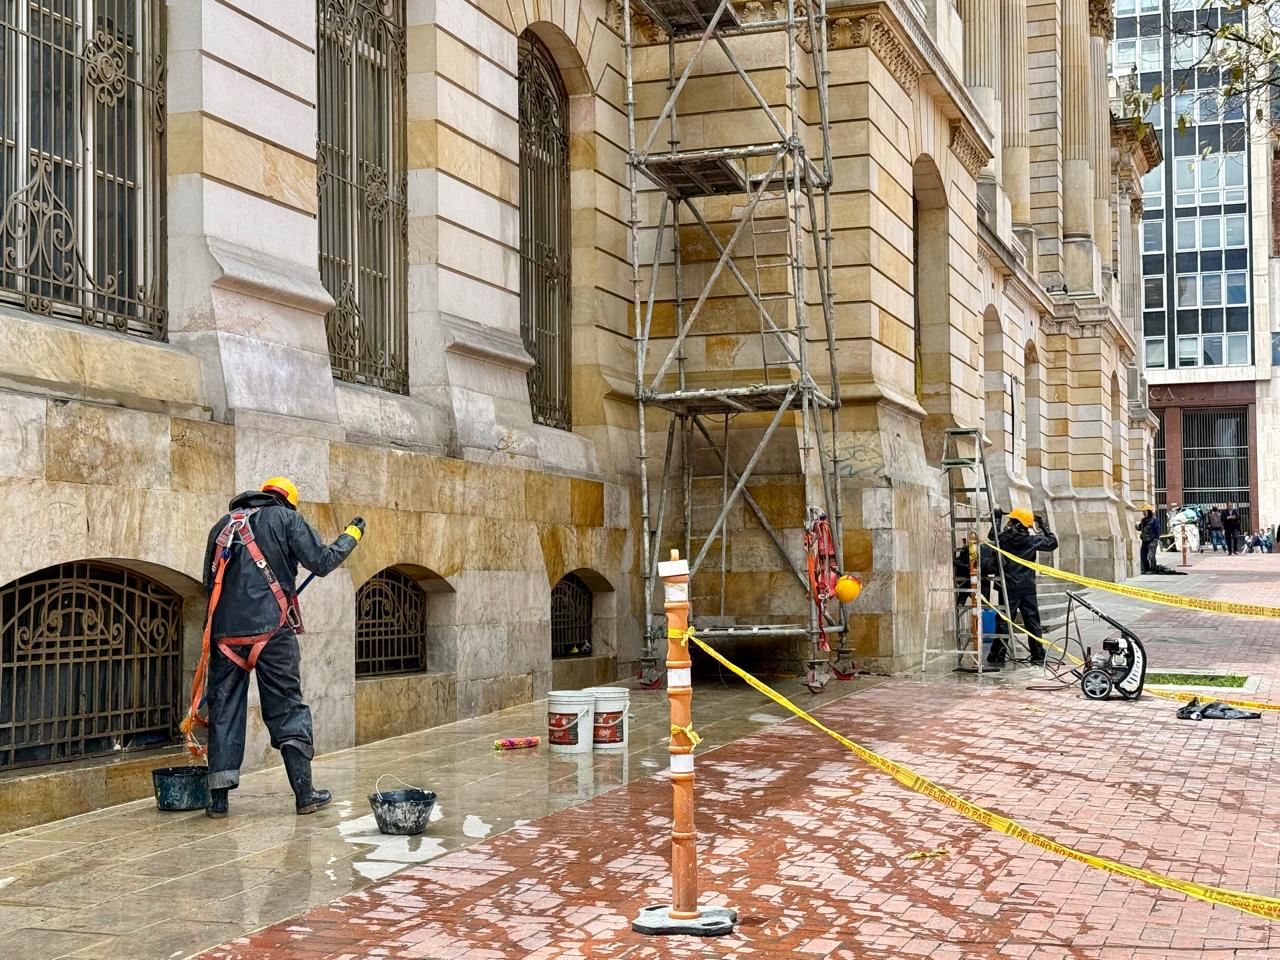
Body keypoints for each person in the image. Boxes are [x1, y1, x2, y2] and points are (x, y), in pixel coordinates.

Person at [202, 477, 365, 819]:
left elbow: (208, 583)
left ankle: (218, 802)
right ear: (288, 501)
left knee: (223, 708)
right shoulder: (287, 518)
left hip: (225, 637)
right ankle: (305, 795)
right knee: (287, 707)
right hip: (272, 631)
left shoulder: (223, 525)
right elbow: (321, 562)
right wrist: (351, 535)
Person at [985, 506, 1059, 668]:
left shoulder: (1005, 538)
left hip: (1008, 587)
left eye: (1011, 520)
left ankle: (997, 656)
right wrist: (1043, 525)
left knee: (1004, 622)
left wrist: (997, 519)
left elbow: (992, 536)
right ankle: (1038, 655)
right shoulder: (1032, 540)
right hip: (1027, 587)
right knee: (1032, 622)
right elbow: (1053, 543)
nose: (1009, 522)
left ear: (1015, 522)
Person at [1136, 505, 1160, 574]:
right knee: (1143, 556)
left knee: (1151, 556)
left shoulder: (1154, 520)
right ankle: (1146, 569)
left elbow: (1157, 531)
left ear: (1149, 511)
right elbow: (1140, 528)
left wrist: (1155, 539)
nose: (1143, 513)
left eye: (1145, 511)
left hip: (1152, 541)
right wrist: (1137, 526)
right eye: (1143, 512)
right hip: (1145, 541)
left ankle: (1153, 570)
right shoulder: (1143, 520)